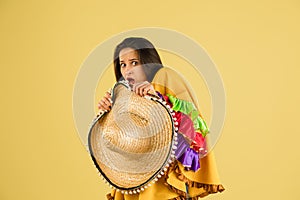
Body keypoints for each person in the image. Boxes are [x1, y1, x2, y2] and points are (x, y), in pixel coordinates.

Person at [97, 37, 225, 200]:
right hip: (134, 181)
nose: (128, 70)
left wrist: (159, 99)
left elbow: (193, 123)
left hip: (163, 185)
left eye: (134, 62)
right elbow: (115, 147)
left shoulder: (165, 77)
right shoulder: (124, 96)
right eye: (123, 64)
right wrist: (107, 114)